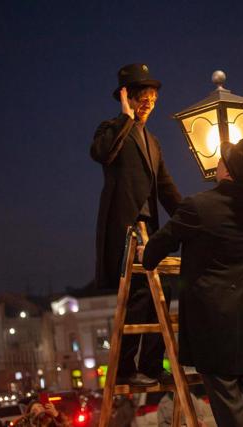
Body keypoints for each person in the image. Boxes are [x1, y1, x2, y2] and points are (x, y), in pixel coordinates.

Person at [142, 135, 243, 427]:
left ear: (226, 170)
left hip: (213, 318)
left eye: (222, 159)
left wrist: (145, 253)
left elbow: (157, 249)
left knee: (228, 397)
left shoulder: (198, 206)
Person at [91, 63, 182, 387]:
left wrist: (192, 217)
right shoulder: (112, 128)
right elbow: (100, 153)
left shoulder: (153, 142)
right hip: (126, 229)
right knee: (141, 293)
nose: (149, 104)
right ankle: (127, 368)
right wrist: (126, 118)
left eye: (153, 98)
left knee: (166, 288)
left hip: (150, 229)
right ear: (128, 97)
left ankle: (151, 364)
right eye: (143, 97)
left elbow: (167, 188)